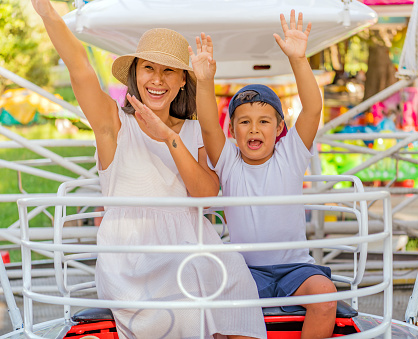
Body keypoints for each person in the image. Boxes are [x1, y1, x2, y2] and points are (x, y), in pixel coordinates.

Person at [32, 1, 266, 338]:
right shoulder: (114, 124)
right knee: (184, 302)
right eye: (148, 68)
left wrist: (168, 137)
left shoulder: (192, 130)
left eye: (168, 70)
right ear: (135, 74)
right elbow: (81, 69)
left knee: (238, 297)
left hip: (195, 243)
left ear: (183, 80)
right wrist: (48, 14)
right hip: (131, 256)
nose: (156, 80)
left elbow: (206, 196)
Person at [191, 10, 337, 339]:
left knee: (326, 299)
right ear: (233, 130)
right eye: (244, 121)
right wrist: (204, 80)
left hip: (295, 269)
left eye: (264, 121)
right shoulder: (228, 160)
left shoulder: (290, 154)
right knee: (230, 316)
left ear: (280, 128)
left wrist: (299, 59)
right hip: (246, 271)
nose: (254, 129)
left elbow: (313, 108)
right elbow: (206, 124)